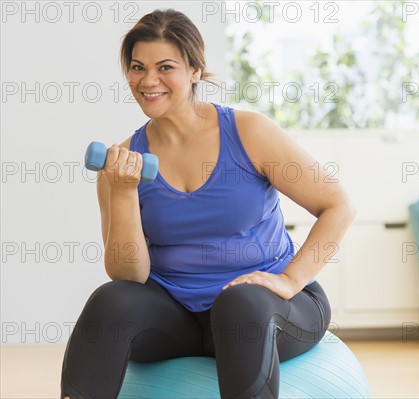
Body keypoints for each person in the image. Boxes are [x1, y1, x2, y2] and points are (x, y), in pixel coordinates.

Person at [60, 8, 355, 399]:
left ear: (195, 70)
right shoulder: (124, 161)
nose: (148, 81)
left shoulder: (249, 133)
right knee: (110, 301)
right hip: (181, 319)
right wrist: (124, 192)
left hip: (268, 312)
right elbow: (129, 275)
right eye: (137, 67)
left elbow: (338, 205)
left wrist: (289, 280)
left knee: (239, 304)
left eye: (165, 67)